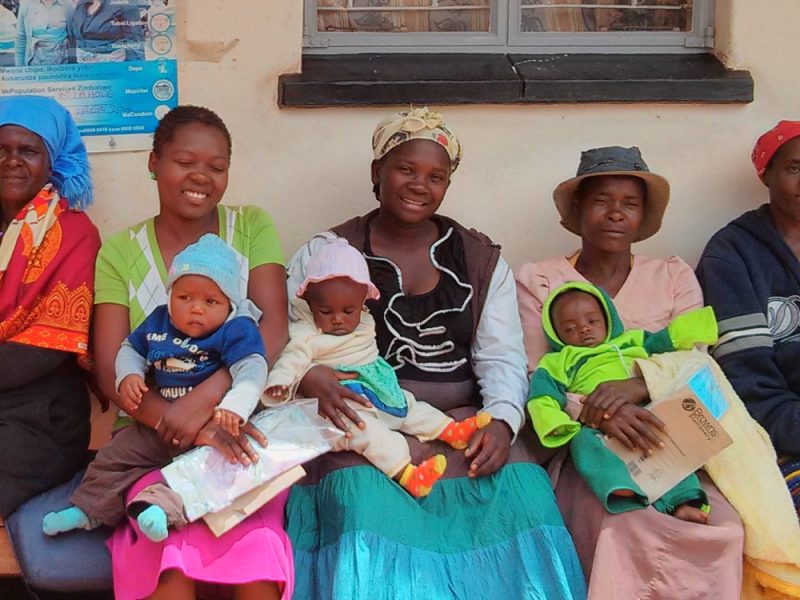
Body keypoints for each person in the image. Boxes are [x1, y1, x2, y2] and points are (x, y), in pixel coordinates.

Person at [285, 107, 586, 599]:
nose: (419, 184)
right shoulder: (328, 251)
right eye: (405, 169)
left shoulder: (478, 258)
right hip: (362, 422)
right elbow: (292, 335)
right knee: (364, 507)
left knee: (522, 497)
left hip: (461, 422)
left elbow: (502, 358)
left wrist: (503, 422)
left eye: (436, 176)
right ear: (376, 173)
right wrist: (311, 378)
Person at [516, 145, 744, 598]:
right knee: (625, 522)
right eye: (601, 201)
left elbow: (697, 363)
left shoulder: (673, 275)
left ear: (643, 217)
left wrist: (637, 386)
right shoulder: (540, 279)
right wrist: (595, 411)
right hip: (588, 450)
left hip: (671, 438)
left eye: (630, 204)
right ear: (578, 210)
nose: (615, 214)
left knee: (723, 530)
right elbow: (533, 374)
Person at [91, 105, 291, 600]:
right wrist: (175, 423)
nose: (202, 176)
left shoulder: (251, 228)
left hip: (238, 434)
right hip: (145, 441)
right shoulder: (119, 252)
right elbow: (108, 367)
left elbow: (274, 329)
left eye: (217, 166)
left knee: (253, 557)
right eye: (184, 161)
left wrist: (206, 404)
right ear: (154, 162)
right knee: (170, 560)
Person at [43, 233, 268, 542]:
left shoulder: (236, 328)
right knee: (114, 457)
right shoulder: (160, 320)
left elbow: (252, 368)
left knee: (205, 471)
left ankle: (161, 510)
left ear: (229, 304)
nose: (195, 309)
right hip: (157, 425)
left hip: (212, 428)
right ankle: (89, 509)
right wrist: (130, 375)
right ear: (170, 294)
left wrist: (236, 406)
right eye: (184, 297)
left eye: (210, 301)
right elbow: (131, 349)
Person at [267, 237, 493, 498]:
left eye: (348, 310)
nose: (338, 319)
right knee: (369, 433)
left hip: (374, 387)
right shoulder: (306, 332)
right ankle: (408, 474)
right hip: (339, 404)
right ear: (308, 301)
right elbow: (292, 359)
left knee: (410, 406)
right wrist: (281, 383)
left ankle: (451, 430)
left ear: (364, 300)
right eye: (326, 311)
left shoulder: (363, 317)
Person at [528, 281, 716, 521]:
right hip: (597, 424)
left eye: (592, 321)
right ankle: (618, 486)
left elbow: (667, 339)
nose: (584, 330)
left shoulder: (631, 341)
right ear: (555, 335)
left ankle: (683, 501)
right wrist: (556, 424)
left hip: (647, 410)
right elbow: (542, 395)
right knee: (582, 443)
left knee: (666, 442)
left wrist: (700, 326)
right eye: (569, 328)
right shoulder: (557, 361)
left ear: (608, 319)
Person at [0, 94, 100, 519]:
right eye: (1, 150)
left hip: (39, 415)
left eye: (28, 151)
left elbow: (46, 347)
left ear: (52, 160)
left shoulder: (74, 234)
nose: (12, 161)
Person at [697, 121, 800, 510]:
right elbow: (746, 377)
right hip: (783, 439)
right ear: (766, 174)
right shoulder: (732, 253)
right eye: (794, 168)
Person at [69, 0, 144, 63]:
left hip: (111, 69)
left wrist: (136, 71)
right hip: (83, 70)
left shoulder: (125, 5)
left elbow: (134, 42)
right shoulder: (82, 4)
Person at [15, 0, 74, 66]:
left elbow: (74, 36)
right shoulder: (27, 4)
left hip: (63, 64)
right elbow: (21, 38)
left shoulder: (68, 4)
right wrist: (19, 68)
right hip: (35, 64)